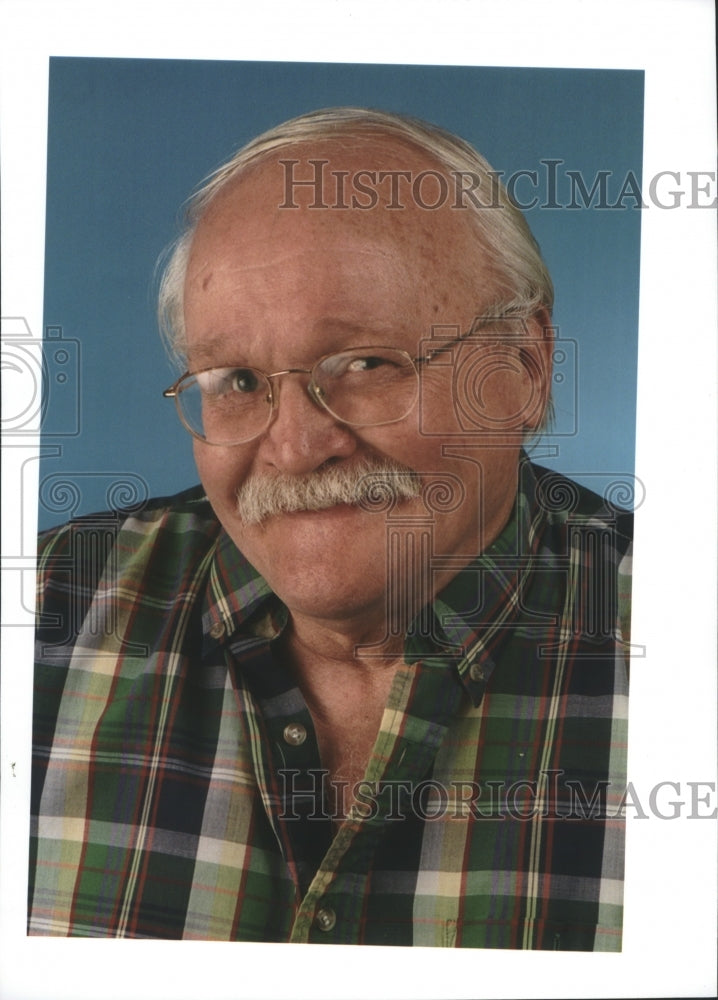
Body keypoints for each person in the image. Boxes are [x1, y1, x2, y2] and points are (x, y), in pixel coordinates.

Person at [29, 107, 631, 949]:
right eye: (239, 380)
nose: (295, 447)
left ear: (525, 368)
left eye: (366, 364)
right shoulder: (45, 609)